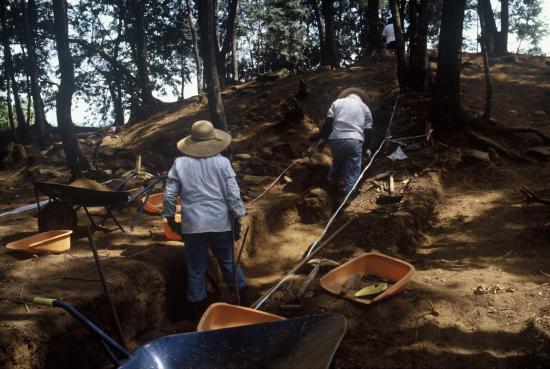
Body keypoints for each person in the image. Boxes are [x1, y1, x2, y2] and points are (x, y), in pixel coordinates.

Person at [162, 120, 247, 320]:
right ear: (213, 141)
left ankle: (197, 311)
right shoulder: (222, 163)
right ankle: (244, 297)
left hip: (192, 224)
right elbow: (233, 195)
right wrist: (237, 217)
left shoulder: (180, 163)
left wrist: (169, 217)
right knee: (227, 261)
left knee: (195, 267)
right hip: (220, 222)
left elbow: (169, 194)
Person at [315, 87, 373, 199]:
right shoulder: (365, 108)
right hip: (355, 140)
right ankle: (348, 196)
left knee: (337, 161)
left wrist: (323, 139)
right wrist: (366, 148)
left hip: (336, 139)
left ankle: (331, 185)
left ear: (346, 95)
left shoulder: (337, 103)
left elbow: (328, 123)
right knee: (353, 167)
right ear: (361, 98)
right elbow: (368, 131)